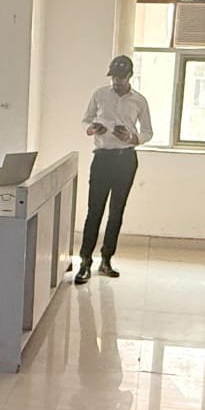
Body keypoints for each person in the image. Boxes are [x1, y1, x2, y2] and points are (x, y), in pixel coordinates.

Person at [75, 55, 153, 284]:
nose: (116, 81)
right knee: (94, 210)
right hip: (102, 158)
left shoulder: (139, 101)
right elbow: (85, 120)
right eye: (113, 77)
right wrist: (92, 129)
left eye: (120, 77)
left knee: (117, 211)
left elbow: (148, 131)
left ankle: (106, 259)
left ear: (130, 76)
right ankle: (85, 262)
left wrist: (132, 137)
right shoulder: (100, 94)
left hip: (126, 159)